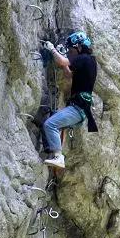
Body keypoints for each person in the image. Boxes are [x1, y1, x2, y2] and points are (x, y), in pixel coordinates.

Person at [41, 31, 98, 170]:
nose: (71, 53)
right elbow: (69, 74)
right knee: (53, 119)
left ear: (79, 47)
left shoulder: (84, 58)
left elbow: (62, 61)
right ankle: (52, 150)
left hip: (77, 108)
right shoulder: (89, 61)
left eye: (72, 50)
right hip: (79, 108)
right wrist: (61, 59)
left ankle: (58, 156)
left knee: (50, 124)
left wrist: (52, 49)